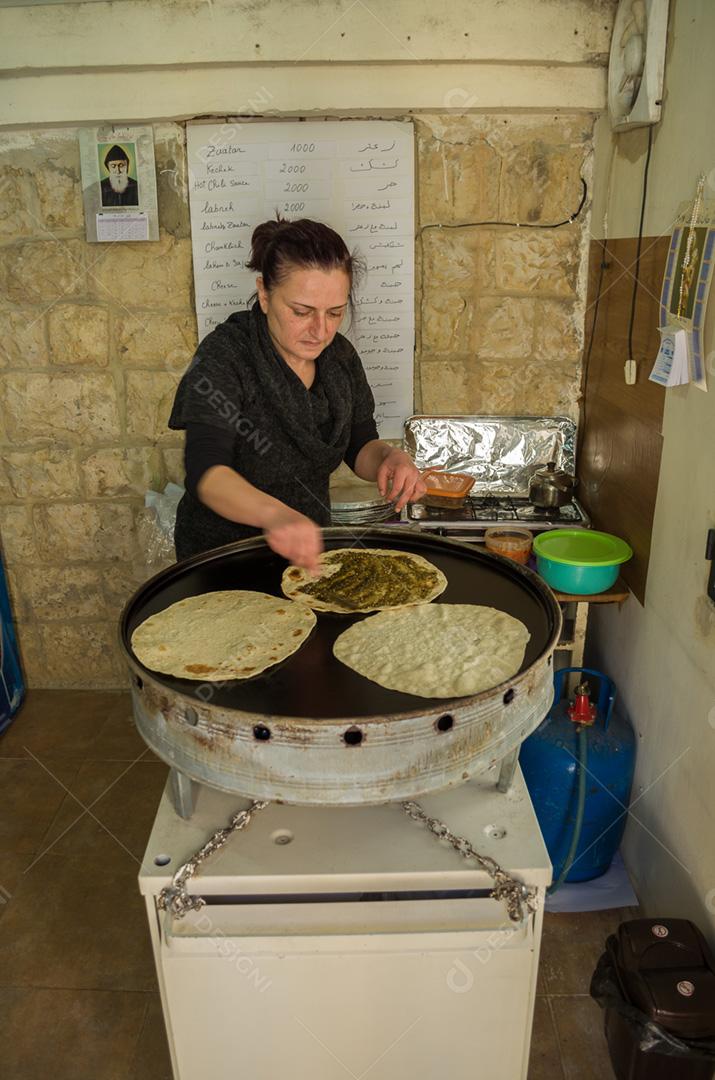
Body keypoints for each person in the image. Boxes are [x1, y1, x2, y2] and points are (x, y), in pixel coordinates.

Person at [169, 217, 425, 571]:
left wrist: (387, 459)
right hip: (222, 558)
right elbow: (206, 472)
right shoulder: (226, 355)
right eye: (301, 312)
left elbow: (359, 444)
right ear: (264, 294)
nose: (320, 331)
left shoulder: (341, 358)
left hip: (305, 553)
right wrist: (275, 515)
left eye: (334, 313)